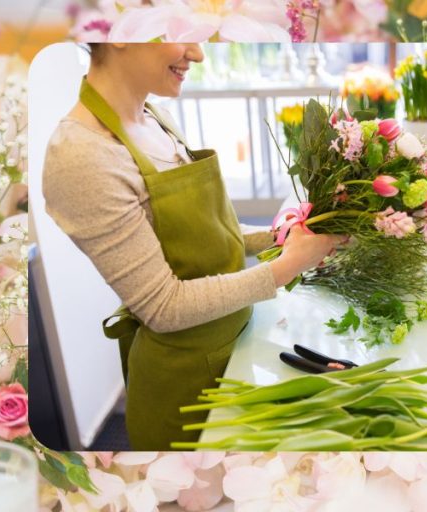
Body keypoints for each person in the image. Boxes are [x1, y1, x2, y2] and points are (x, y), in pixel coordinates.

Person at [42, 43, 340, 450]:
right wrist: (286, 267)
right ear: (120, 32)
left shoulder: (152, 116)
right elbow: (163, 306)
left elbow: (205, 237)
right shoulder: (81, 156)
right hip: (184, 392)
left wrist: (283, 237)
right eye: (181, 32)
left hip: (231, 347)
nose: (198, 53)